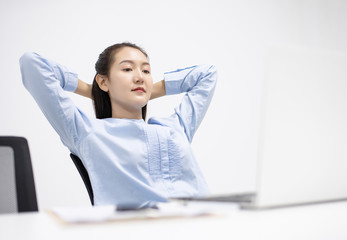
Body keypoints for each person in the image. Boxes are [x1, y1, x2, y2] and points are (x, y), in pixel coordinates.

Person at [19, 42, 218, 208]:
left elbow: (207, 74)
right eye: (127, 69)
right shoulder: (88, 133)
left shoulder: (176, 128)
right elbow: (32, 64)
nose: (140, 76)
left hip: (207, 223)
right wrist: (94, 91)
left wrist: (146, 92)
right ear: (103, 81)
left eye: (146, 70)